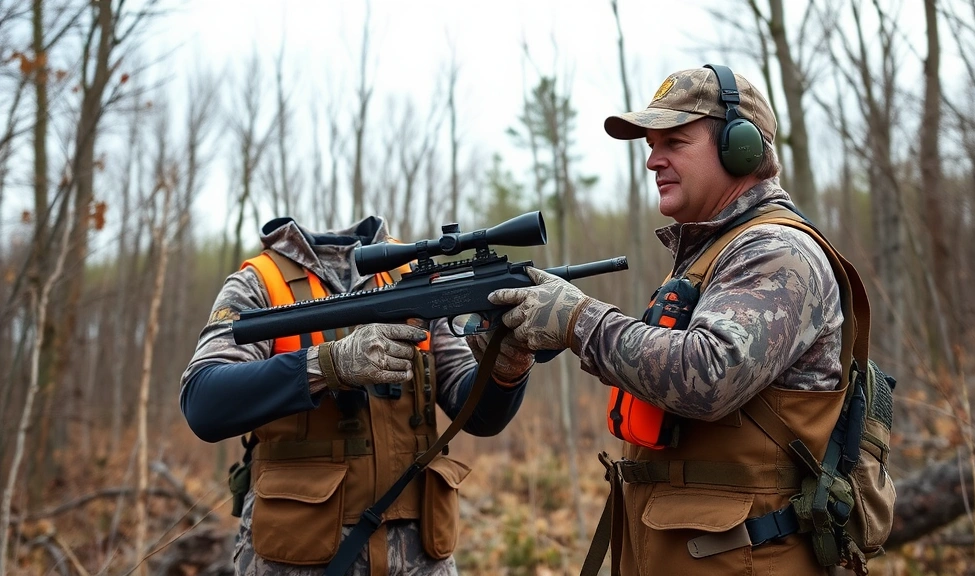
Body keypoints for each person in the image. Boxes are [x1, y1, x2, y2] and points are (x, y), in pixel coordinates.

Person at [489, 65, 846, 574]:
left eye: (674, 142)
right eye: (651, 145)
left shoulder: (777, 251)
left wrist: (578, 320)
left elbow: (709, 373)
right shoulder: (716, 253)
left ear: (739, 148)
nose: (653, 161)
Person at [180, 214, 536, 576]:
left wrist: (504, 369)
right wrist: (330, 364)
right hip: (295, 559)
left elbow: (476, 412)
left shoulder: (412, 274)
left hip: (422, 559)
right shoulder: (260, 281)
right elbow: (204, 399)